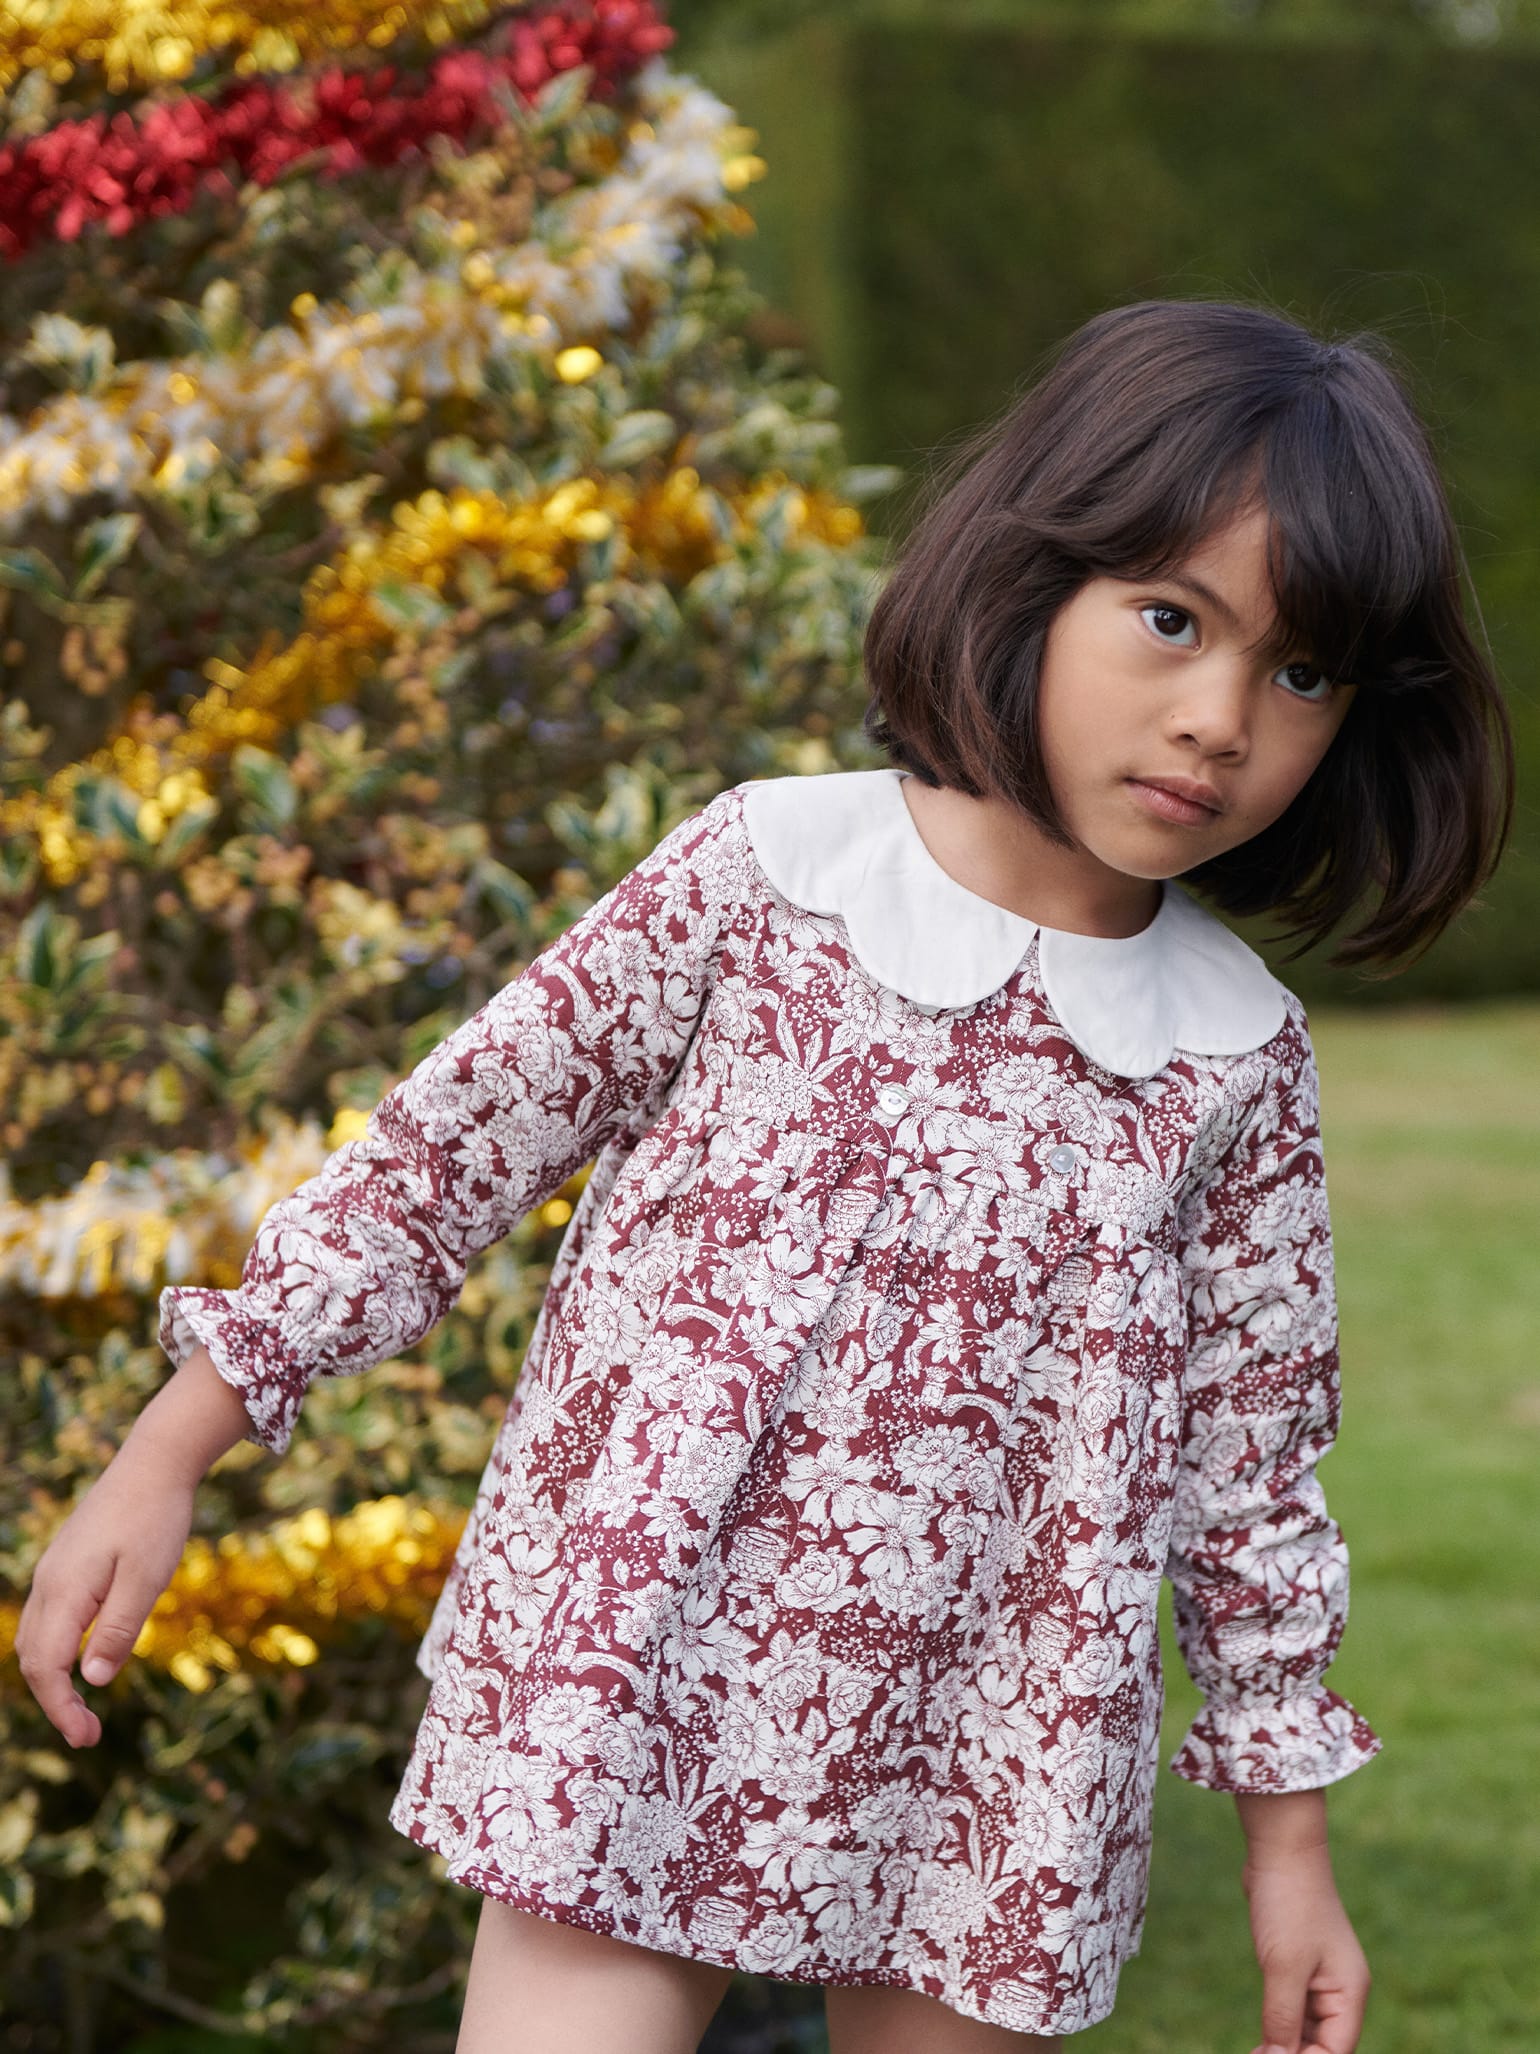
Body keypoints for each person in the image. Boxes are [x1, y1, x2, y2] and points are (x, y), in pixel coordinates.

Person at [16, 297, 1513, 2054]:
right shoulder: (769, 877)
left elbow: (1251, 1476)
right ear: (1038, 576)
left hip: (998, 1759)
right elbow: (446, 1154)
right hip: (640, 1672)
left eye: (1302, 672)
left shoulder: (1232, 1053)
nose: (1219, 718)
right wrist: (174, 1442)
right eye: (1172, 620)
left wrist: (1289, 1848)